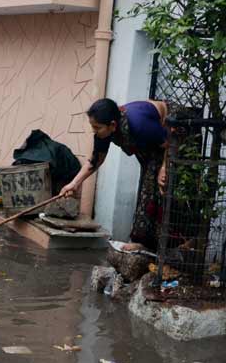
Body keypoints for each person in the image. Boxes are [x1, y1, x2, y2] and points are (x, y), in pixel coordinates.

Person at [60, 98, 169, 251]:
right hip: (154, 148)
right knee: (148, 187)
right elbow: (95, 161)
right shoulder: (104, 132)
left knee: (166, 185)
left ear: (112, 125)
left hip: (174, 132)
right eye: (93, 127)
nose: (94, 131)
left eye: (97, 128)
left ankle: (174, 245)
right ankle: (146, 244)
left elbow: (168, 141)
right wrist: (74, 184)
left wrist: (164, 167)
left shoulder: (138, 124)